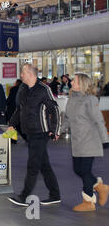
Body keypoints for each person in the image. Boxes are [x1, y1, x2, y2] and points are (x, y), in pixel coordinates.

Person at [7, 63, 61, 207]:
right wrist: (12, 123)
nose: (21, 75)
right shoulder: (23, 89)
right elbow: (20, 109)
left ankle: (24, 196)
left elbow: (54, 110)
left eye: (23, 73)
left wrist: (55, 130)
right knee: (44, 165)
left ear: (30, 74)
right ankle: (55, 194)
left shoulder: (44, 89)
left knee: (33, 164)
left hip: (41, 133)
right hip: (29, 132)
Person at [61, 73, 109, 211]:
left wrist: (105, 139)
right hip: (77, 142)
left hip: (90, 141)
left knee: (85, 171)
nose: (71, 83)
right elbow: (68, 120)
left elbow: (98, 120)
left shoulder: (90, 99)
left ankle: (88, 202)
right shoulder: (71, 99)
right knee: (77, 170)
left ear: (81, 83)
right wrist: (58, 131)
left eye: (74, 81)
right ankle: (100, 187)